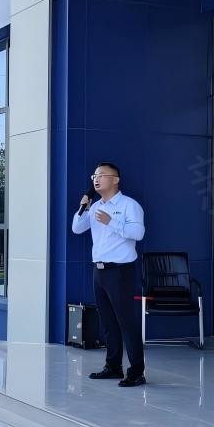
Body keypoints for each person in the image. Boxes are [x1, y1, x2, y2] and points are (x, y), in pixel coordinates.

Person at [71, 163, 147, 387]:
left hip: (120, 271)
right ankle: (113, 366)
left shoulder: (129, 205)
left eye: (102, 175)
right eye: (94, 176)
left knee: (127, 322)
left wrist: (111, 222)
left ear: (115, 180)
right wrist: (83, 208)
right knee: (108, 322)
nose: (96, 179)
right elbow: (77, 228)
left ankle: (137, 371)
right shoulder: (95, 207)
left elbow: (138, 233)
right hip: (99, 271)